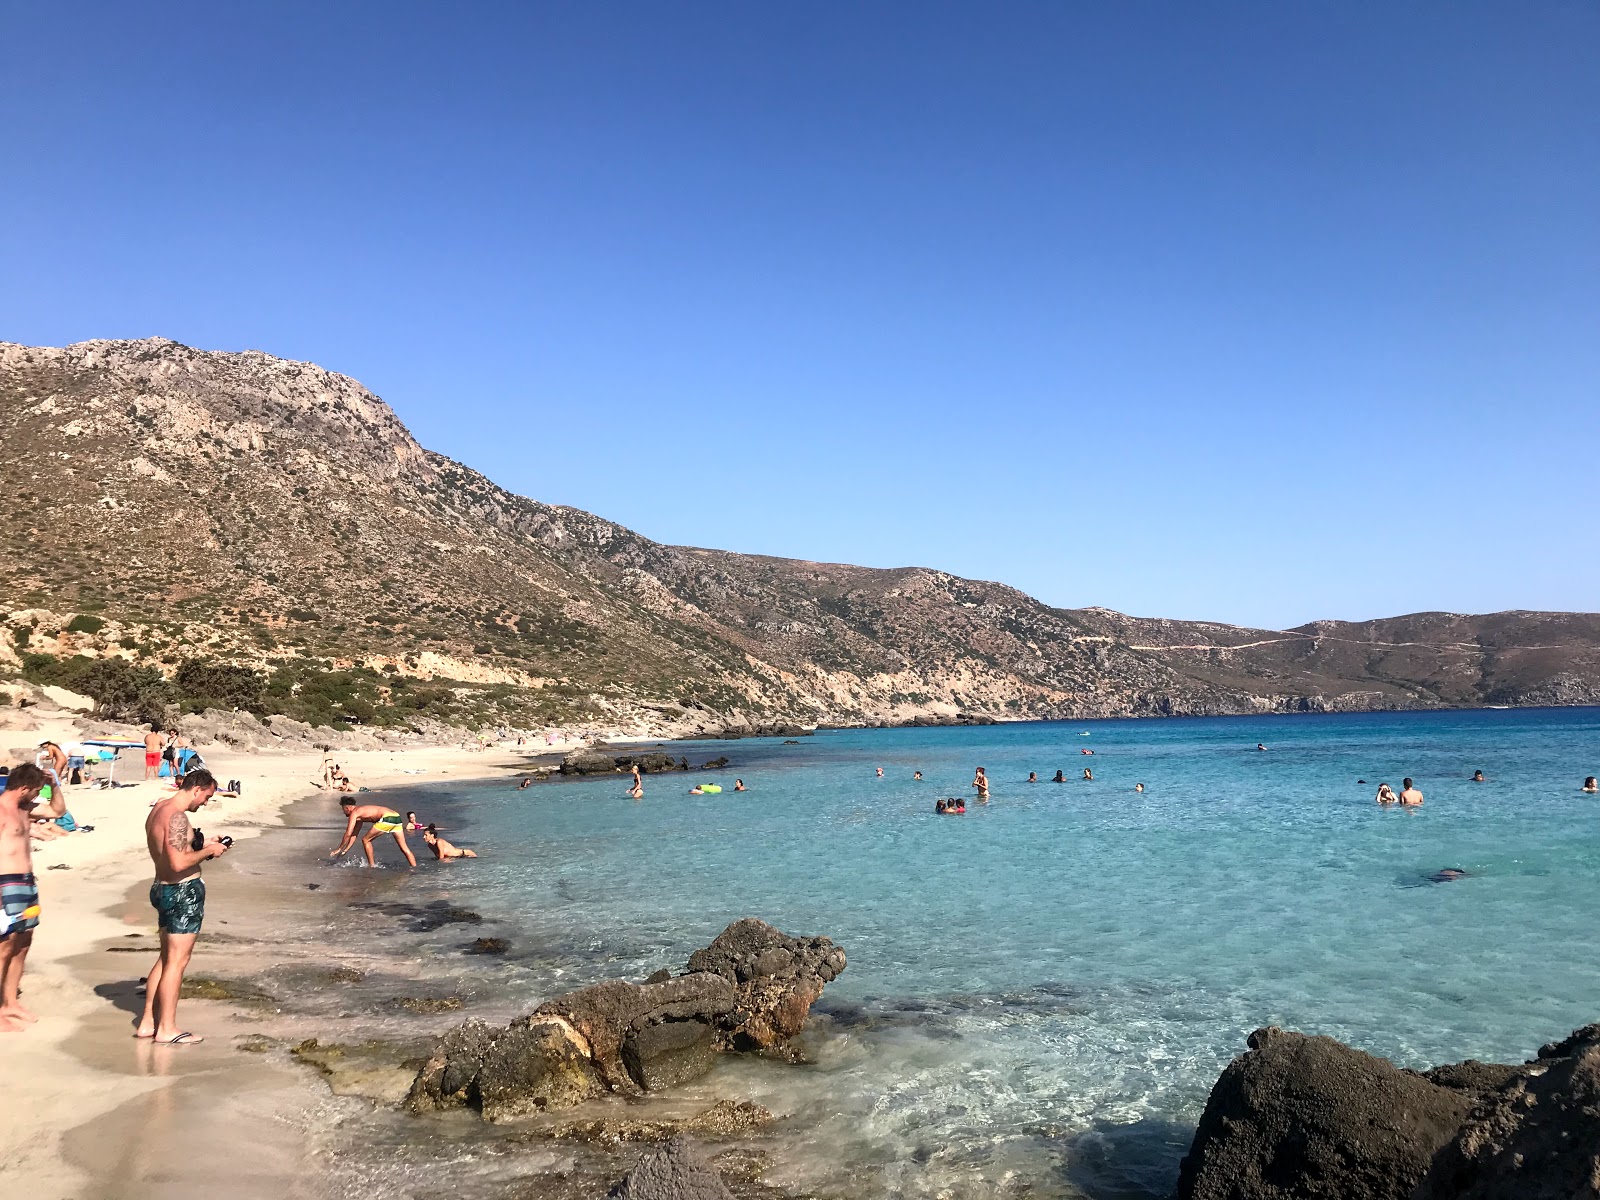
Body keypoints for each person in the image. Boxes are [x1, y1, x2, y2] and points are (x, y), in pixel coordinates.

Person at [137, 769, 229, 1044]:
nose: (205, 803)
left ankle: (147, 1023)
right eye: (207, 797)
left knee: (166, 958)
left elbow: (172, 852)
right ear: (197, 789)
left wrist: (202, 844)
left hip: (162, 888)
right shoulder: (177, 817)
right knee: (177, 963)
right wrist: (209, 852)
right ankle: (167, 1029)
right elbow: (178, 863)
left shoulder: (159, 810)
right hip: (182, 892)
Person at [1, 765, 47, 1034]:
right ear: (24, 788)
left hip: (27, 883)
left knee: (24, 941)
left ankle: (9, 1003)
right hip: (5, 885)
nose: (37, 796)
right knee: (3, 945)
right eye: (36, 790)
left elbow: (57, 811)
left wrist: (55, 784)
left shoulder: (24, 809)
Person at [330, 800, 417, 867]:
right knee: (404, 848)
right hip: (397, 817)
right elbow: (354, 834)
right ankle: (414, 869)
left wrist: (339, 848)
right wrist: (345, 850)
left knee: (365, 840)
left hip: (387, 818)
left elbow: (348, 833)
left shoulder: (354, 813)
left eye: (343, 810)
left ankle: (372, 866)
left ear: (347, 808)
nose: (343, 812)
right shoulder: (360, 813)